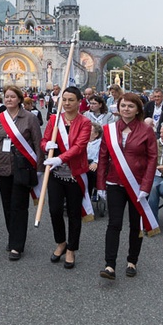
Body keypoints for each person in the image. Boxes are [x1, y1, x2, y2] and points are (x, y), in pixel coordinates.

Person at [97, 93, 158, 280]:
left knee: (135, 225)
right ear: (118, 107)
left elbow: (152, 160)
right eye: (123, 105)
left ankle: (132, 261)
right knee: (114, 224)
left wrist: (146, 186)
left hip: (137, 185)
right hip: (114, 182)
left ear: (138, 109)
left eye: (131, 106)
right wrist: (100, 184)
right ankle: (110, 265)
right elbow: (102, 158)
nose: (126, 109)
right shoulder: (108, 130)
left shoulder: (146, 131)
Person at [0, 85, 43, 261]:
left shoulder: (30, 118)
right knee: (7, 205)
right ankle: (13, 236)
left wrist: (39, 169)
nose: (9, 99)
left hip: (23, 167)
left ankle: (17, 245)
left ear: (19, 99)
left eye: (12, 97)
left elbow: (38, 143)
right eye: (6, 97)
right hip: (1, 166)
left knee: (19, 206)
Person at [41, 86, 92, 269]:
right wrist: (47, 146)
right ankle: (61, 242)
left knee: (73, 213)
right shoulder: (54, 120)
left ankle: (71, 248)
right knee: (54, 210)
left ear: (79, 102)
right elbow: (44, 140)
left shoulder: (85, 123)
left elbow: (79, 147)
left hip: (74, 174)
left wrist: (60, 158)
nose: (68, 103)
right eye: (65, 100)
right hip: (55, 174)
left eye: (71, 100)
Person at [87, 123, 103, 196]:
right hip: (83, 164)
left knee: (91, 172)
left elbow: (102, 156)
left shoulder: (101, 143)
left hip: (94, 165)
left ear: (96, 134)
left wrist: (96, 162)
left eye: (89, 130)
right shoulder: (82, 141)